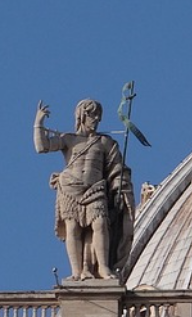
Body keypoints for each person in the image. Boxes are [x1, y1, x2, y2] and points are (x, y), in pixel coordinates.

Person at [35, 99, 134, 281]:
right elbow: (42, 147)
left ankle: (103, 269)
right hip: (69, 187)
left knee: (100, 224)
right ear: (81, 116)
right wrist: (38, 123)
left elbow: (117, 169)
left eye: (98, 116)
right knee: (72, 228)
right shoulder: (68, 139)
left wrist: (120, 186)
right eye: (91, 115)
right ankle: (76, 271)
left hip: (95, 189)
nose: (95, 119)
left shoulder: (106, 143)